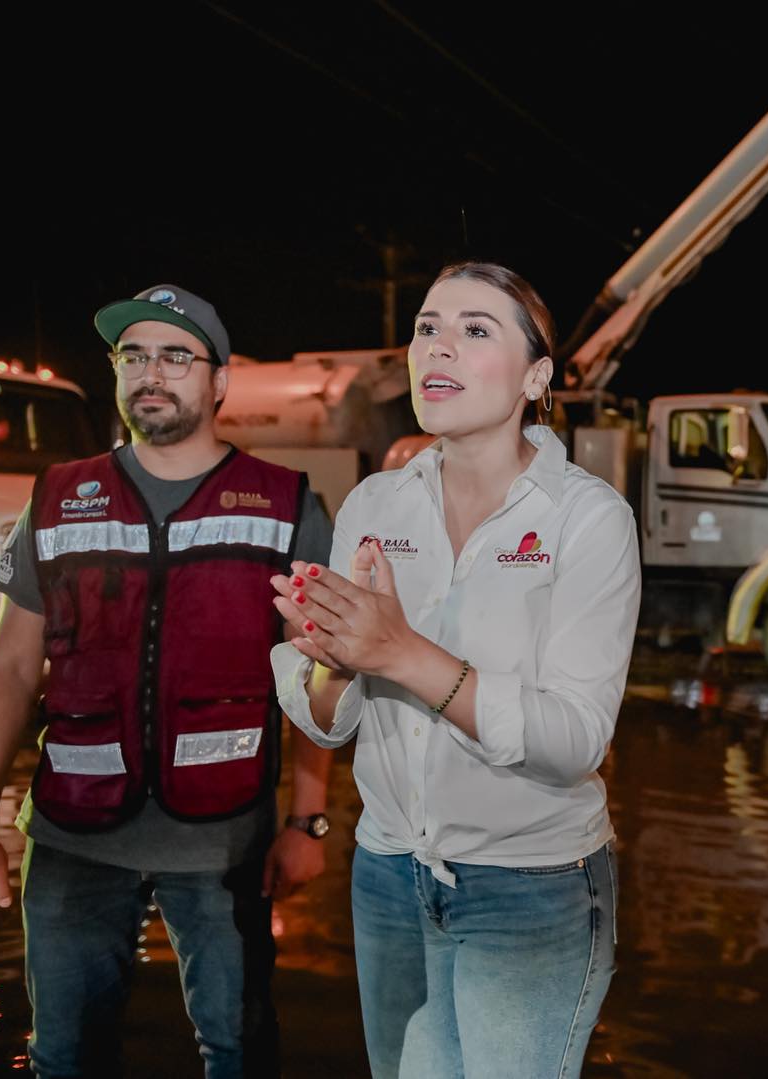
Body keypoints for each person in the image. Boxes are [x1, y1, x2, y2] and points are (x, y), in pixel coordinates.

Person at [0, 284, 336, 1078]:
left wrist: (308, 821)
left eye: (174, 356)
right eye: (133, 356)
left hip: (226, 842)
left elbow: (316, 678)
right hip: (72, 840)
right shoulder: (57, 497)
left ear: (219, 381)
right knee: (63, 1057)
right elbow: (12, 666)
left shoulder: (288, 504)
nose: (149, 374)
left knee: (239, 1051)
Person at [270, 261, 640, 1078]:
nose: (439, 346)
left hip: (531, 887)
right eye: (428, 327)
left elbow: (574, 739)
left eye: (477, 330)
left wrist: (400, 649)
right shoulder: (375, 505)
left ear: (535, 375)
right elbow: (330, 718)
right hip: (388, 871)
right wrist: (331, 658)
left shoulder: (588, 518)